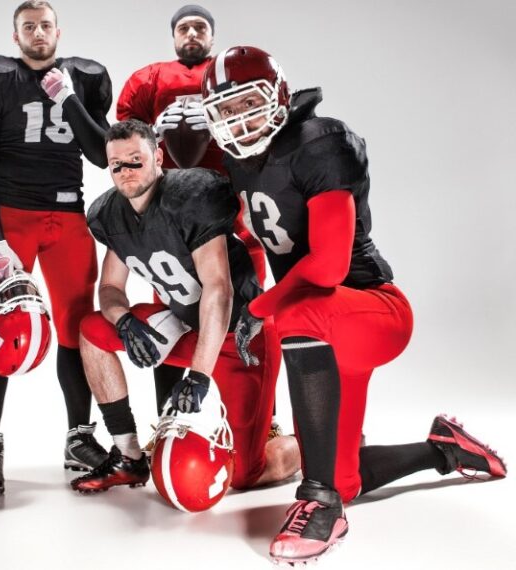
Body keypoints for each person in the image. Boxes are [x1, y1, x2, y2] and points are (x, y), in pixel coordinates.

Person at [200, 46, 508, 563]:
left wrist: (259, 309)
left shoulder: (319, 141)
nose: (238, 119)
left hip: (373, 310)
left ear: (276, 95)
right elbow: (255, 236)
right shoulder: (239, 161)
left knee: (296, 314)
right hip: (321, 330)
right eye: (225, 109)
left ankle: (319, 505)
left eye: (247, 102)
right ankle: (445, 449)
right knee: (346, 476)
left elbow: (328, 265)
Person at [70, 119, 300, 494]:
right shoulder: (111, 212)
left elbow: (218, 289)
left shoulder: (191, 196)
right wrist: (123, 319)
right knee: (94, 331)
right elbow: (110, 287)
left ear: (158, 156)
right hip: (188, 327)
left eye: (135, 160)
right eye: (117, 165)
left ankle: (321, 446)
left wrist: (198, 375)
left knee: (243, 474)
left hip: (239, 338)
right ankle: (128, 456)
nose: (126, 172)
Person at [116, 4, 288, 449]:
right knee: (173, 320)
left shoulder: (226, 72)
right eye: (184, 27)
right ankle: (166, 421)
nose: (192, 33)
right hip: (171, 221)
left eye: (200, 27)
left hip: (233, 211)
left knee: (252, 317)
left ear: (212, 36)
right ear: (173, 36)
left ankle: (265, 419)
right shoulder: (150, 78)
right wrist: (158, 129)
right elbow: (123, 138)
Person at [0, 0, 112, 496]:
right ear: (16, 36)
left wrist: (70, 98)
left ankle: (78, 437)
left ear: (58, 30)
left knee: (76, 326)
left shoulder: (85, 77)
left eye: (45, 25)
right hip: (13, 216)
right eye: (28, 26)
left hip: (68, 216)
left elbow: (100, 155)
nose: (38, 33)